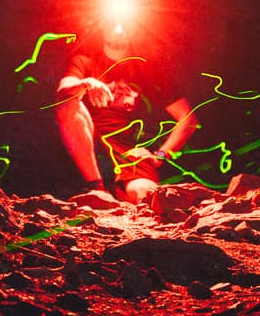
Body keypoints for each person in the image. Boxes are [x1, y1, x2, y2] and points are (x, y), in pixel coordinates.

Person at [55, 16, 199, 203]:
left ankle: (121, 196)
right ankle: (96, 187)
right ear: (102, 26)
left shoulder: (147, 70)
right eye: (112, 23)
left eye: (125, 24)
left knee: (147, 197)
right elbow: (63, 91)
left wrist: (160, 155)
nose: (118, 30)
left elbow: (188, 119)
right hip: (89, 151)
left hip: (129, 157)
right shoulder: (85, 62)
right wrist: (86, 83)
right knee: (67, 101)